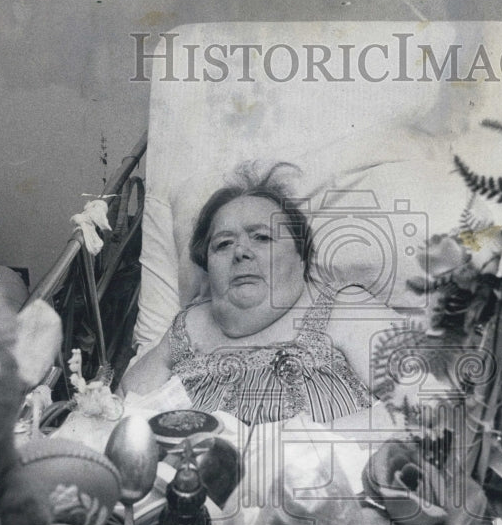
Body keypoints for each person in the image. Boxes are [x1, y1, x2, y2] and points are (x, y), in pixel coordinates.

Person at [121, 163, 383, 426]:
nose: (240, 252)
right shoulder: (188, 327)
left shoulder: (344, 307)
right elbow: (122, 412)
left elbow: (419, 409)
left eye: (262, 238)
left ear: (300, 256)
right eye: (223, 244)